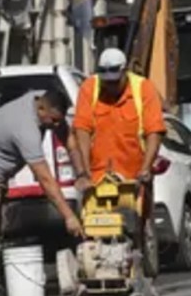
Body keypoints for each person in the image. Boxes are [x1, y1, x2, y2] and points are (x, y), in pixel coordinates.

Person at [0, 87, 84, 296]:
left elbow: (67, 137)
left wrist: (82, 173)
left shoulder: (41, 102)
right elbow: (45, 179)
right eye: (52, 121)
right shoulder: (25, 128)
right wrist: (69, 216)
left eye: (58, 121)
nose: (54, 126)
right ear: (42, 108)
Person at [72, 47, 167, 193]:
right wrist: (85, 172)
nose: (110, 87)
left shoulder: (144, 88)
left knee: (134, 214)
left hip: (134, 180)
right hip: (97, 179)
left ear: (125, 72)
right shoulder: (90, 88)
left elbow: (154, 131)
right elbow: (82, 130)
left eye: (115, 82)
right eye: (107, 82)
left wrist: (146, 169)